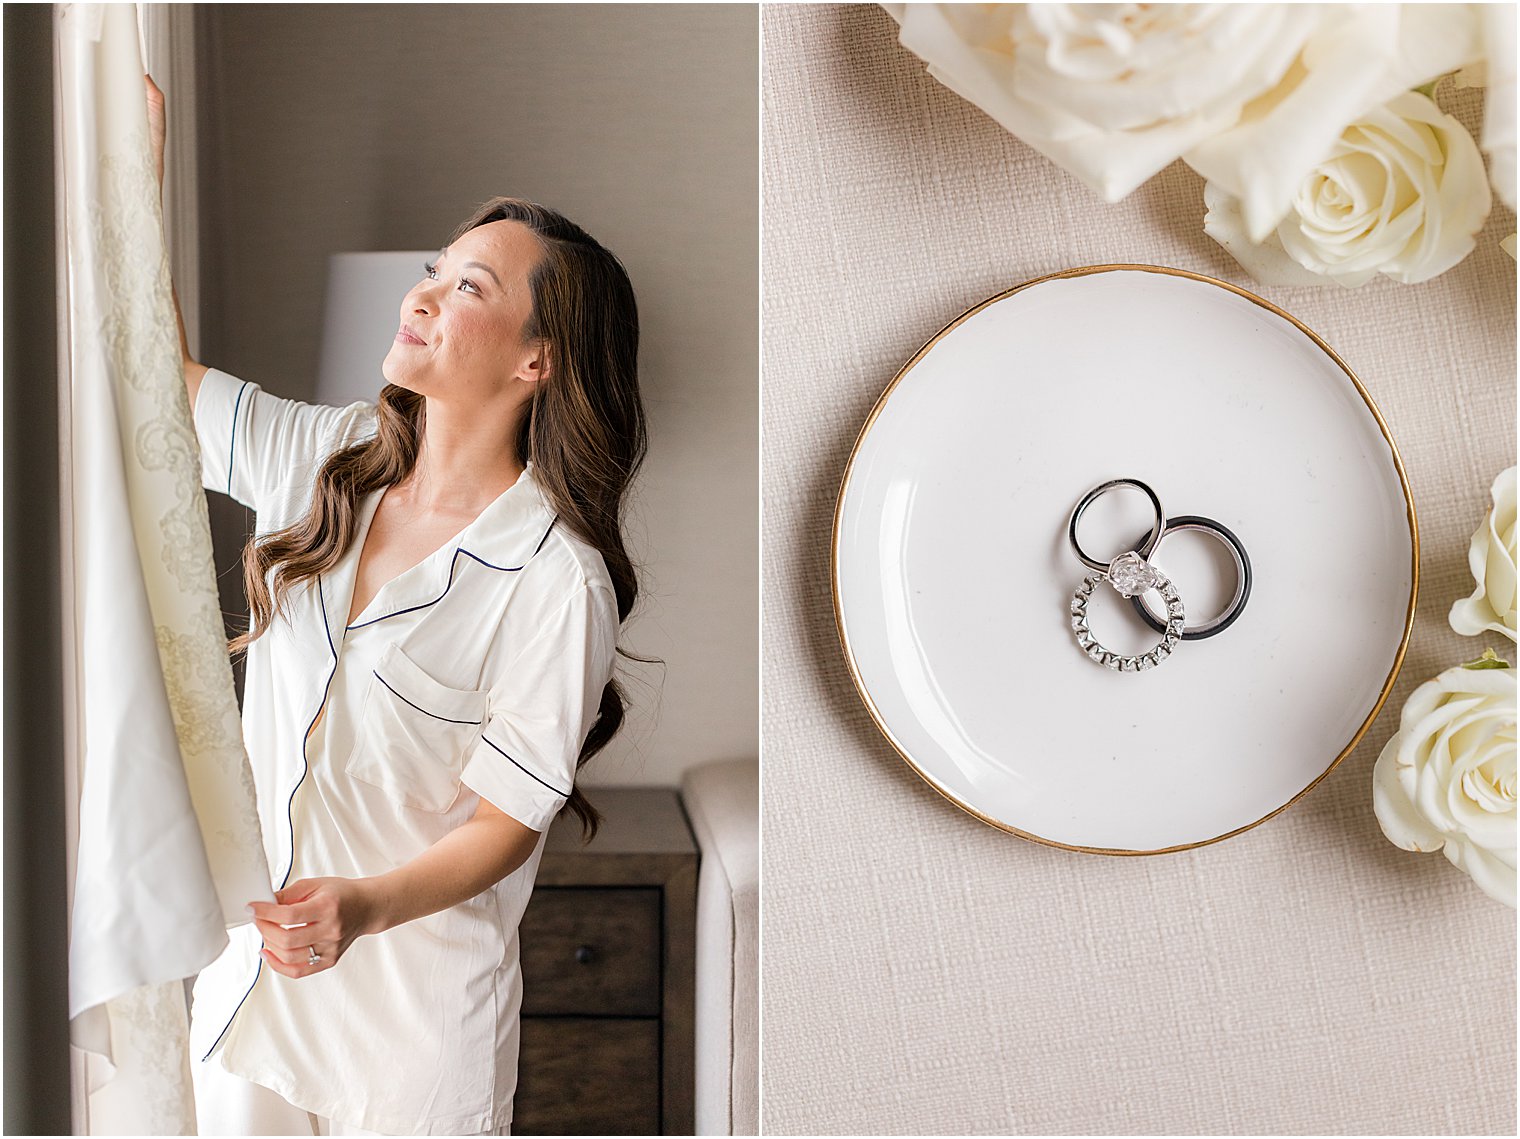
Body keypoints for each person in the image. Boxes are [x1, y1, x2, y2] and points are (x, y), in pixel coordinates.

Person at [144, 75, 646, 1136]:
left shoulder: (559, 578)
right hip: (254, 982)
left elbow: (507, 822)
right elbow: (156, 381)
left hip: (414, 1033)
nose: (421, 296)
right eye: (433, 272)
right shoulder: (322, 458)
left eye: (468, 286)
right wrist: (126, 180)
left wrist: (364, 904)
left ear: (535, 357)